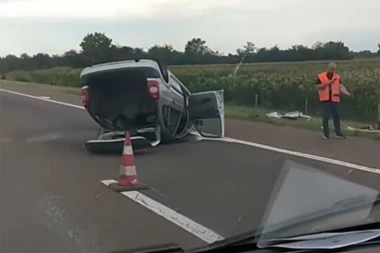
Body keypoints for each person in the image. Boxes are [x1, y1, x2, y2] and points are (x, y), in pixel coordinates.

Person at [316, 63, 350, 139]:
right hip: (325, 99)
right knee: (326, 116)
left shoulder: (337, 76)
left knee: (336, 116)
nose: (332, 71)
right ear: (328, 68)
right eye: (331, 69)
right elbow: (318, 87)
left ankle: (338, 133)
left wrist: (345, 91)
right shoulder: (321, 76)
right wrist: (328, 83)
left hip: (335, 99)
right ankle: (326, 133)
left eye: (333, 69)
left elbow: (340, 86)